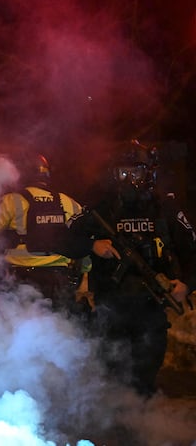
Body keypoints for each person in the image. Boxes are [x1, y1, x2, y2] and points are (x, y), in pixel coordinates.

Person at [66, 140, 195, 397]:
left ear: (149, 173)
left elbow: (192, 252)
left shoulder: (164, 208)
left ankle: (143, 417)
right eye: (122, 173)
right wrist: (92, 245)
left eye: (135, 172)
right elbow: (62, 239)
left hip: (151, 308)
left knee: (145, 378)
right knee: (111, 378)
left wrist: (187, 284)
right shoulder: (101, 208)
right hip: (110, 308)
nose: (129, 179)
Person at [0, 153, 89, 311]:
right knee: (58, 322)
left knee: (17, 322)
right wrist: (85, 278)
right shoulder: (67, 202)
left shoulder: (12, 201)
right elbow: (85, 239)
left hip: (21, 279)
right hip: (59, 280)